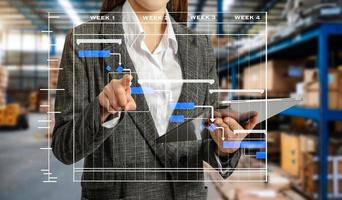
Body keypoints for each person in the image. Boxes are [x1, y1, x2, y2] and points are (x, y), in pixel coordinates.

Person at [52, 0, 257, 199]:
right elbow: (64, 148)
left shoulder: (200, 46)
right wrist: (101, 110)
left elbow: (206, 133)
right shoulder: (84, 39)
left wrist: (225, 147)